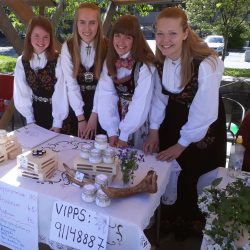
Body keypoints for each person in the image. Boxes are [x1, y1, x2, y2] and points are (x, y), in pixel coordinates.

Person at [143, 7, 226, 238]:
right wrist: (153, 131)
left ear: (185, 33)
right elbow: (159, 100)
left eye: (172, 34)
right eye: (160, 34)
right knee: (172, 173)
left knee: (194, 173)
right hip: (175, 121)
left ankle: (192, 229)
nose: (164, 40)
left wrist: (182, 143)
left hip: (203, 128)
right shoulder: (161, 61)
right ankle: (170, 222)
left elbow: (205, 112)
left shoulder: (206, 64)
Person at [97, 15, 156, 149]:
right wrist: (111, 131)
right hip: (117, 118)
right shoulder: (110, 62)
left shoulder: (145, 66)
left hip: (138, 122)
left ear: (135, 41)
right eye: (117, 35)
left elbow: (140, 102)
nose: (121, 41)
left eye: (127, 37)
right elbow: (106, 96)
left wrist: (124, 134)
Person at [61, 3, 107, 139]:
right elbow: (71, 84)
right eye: (82, 22)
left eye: (92, 23)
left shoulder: (107, 46)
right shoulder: (68, 47)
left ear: (99, 24)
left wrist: (94, 116)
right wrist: (81, 118)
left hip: (102, 106)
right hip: (76, 109)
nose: (87, 28)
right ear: (76, 23)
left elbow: (105, 86)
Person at [14, 16, 68, 132]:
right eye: (36, 36)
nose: (41, 41)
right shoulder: (22, 62)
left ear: (50, 38)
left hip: (56, 116)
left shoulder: (58, 60)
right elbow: (22, 92)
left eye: (45, 37)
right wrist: (30, 119)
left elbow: (61, 91)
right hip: (34, 114)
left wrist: (57, 123)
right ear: (29, 36)